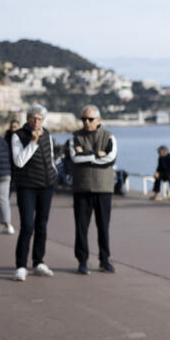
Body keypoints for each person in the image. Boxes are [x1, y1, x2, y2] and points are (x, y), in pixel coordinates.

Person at [11, 104, 58, 281]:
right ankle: (21, 265)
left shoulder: (48, 135)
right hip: (27, 186)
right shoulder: (18, 136)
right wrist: (33, 142)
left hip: (46, 186)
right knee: (27, 226)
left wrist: (54, 172)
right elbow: (19, 162)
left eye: (40, 119)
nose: (36, 122)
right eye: (33, 118)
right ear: (27, 118)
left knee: (42, 225)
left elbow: (51, 157)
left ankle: (39, 261)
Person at [70, 105, 117, 275]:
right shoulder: (75, 137)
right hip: (82, 188)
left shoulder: (109, 136)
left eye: (90, 119)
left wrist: (87, 155)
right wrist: (98, 155)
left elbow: (111, 158)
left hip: (104, 188)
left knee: (103, 226)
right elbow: (75, 158)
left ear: (99, 120)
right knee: (81, 227)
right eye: (83, 119)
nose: (86, 122)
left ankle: (104, 260)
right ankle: (82, 261)